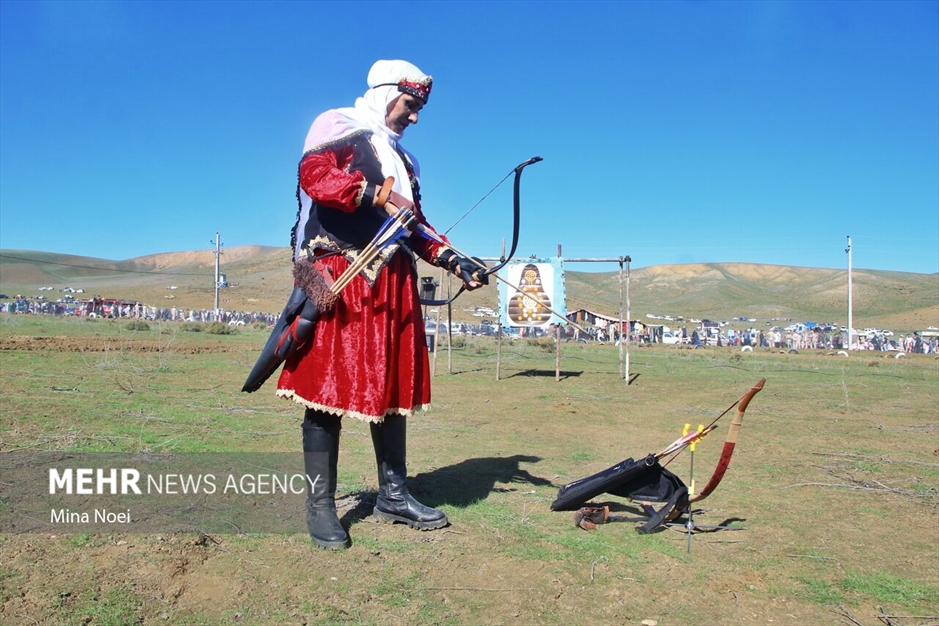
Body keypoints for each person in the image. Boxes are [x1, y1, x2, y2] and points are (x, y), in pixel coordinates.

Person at [276, 60, 487, 550]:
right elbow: (317, 178)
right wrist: (376, 194)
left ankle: (393, 494)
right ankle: (320, 505)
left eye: (419, 110)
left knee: (391, 389)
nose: (414, 118)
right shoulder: (338, 127)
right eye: (410, 106)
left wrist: (456, 261)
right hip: (340, 277)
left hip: (392, 283)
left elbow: (415, 227)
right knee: (324, 391)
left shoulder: (406, 162)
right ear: (386, 93)